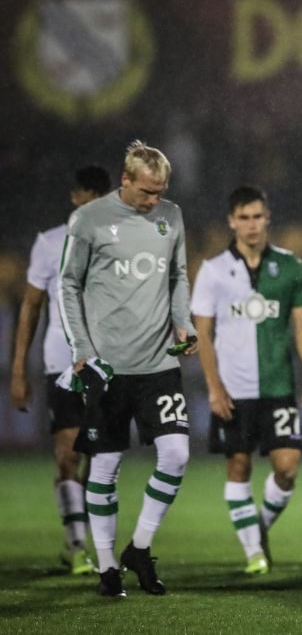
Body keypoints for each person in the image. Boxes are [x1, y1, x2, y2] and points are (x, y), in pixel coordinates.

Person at [59, 140, 198, 598]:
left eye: (161, 192)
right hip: (108, 368)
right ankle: (106, 568)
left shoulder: (171, 216)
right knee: (106, 466)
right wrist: (81, 348)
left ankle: (139, 548)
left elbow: (178, 275)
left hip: (159, 362)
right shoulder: (89, 220)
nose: (154, 201)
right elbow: (68, 284)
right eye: (147, 192)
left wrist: (183, 323)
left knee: (176, 455)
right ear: (125, 180)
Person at [190, 186, 302, 575]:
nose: (251, 225)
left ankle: (257, 526)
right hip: (234, 389)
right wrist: (214, 387)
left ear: (268, 219)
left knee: (288, 467)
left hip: (278, 386)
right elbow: (202, 336)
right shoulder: (213, 270)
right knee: (239, 467)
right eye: (244, 217)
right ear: (231, 221)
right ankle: (254, 553)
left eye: (257, 216)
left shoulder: (290, 266)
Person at [10, 165, 111, 575]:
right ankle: (77, 546)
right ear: (75, 198)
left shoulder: (118, 245)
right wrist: (18, 367)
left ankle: (87, 534)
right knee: (67, 454)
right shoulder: (50, 244)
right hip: (61, 363)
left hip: (107, 365)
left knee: (101, 459)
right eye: (87, 198)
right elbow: (31, 306)